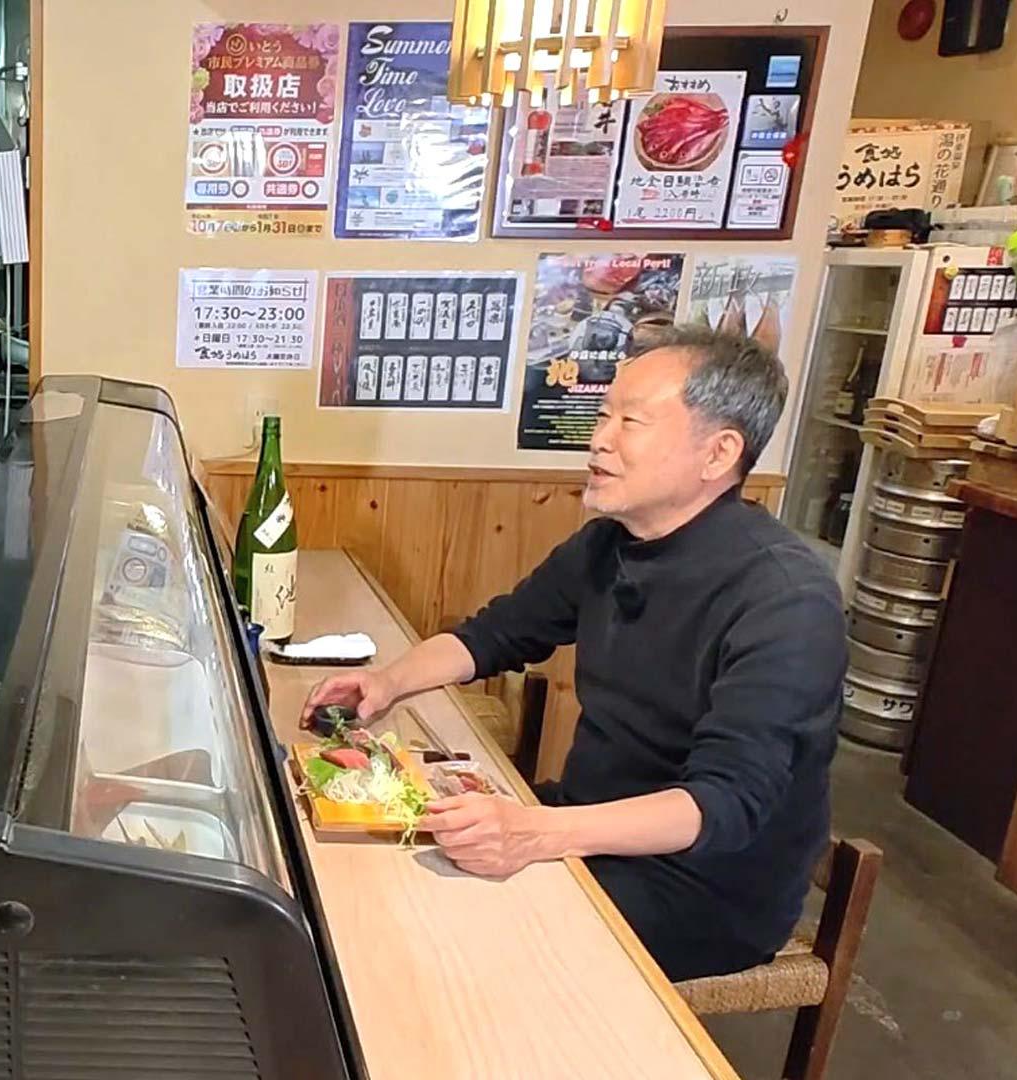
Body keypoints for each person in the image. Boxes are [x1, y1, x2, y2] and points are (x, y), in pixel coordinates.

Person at [304, 327, 844, 981]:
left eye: (632, 422)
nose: (601, 438)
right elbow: (493, 635)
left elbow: (721, 805)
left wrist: (536, 833)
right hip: (586, 820)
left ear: (718, 452)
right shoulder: (607, 545)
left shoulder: (784, 598)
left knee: (439, 937)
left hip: (705, 889)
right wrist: (388, 683)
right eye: (604, 414)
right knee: (379, 863)